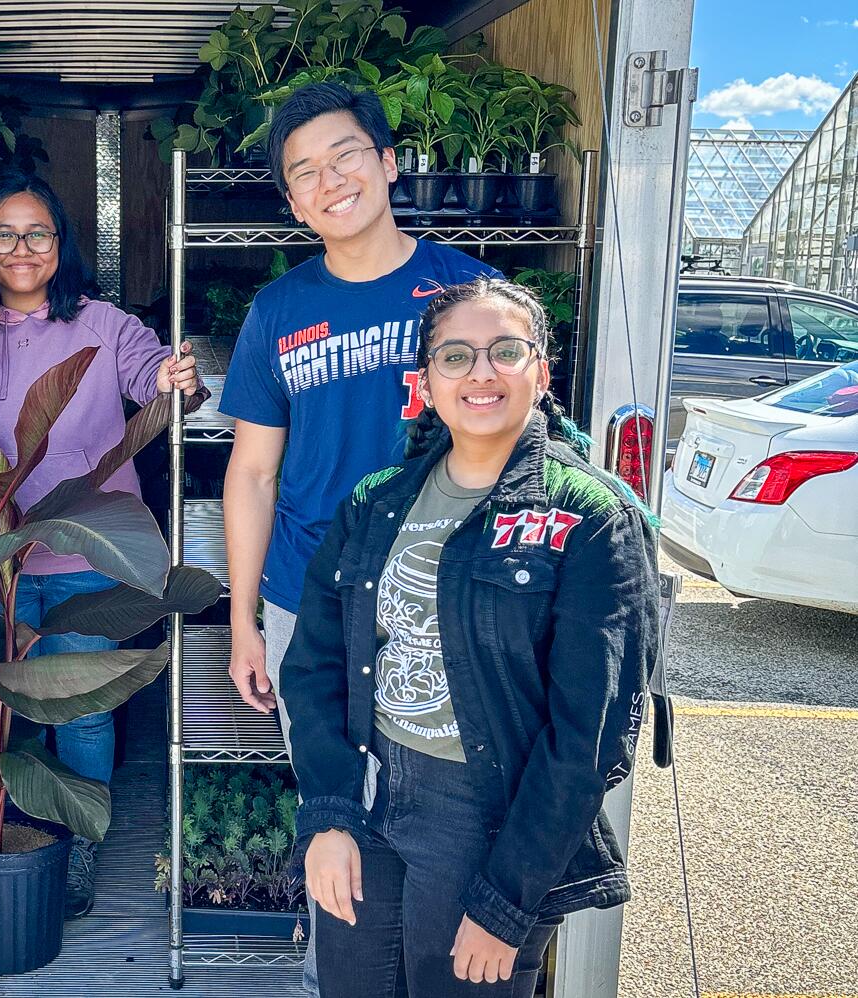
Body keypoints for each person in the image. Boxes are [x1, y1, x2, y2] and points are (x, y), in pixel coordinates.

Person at [280, 277, 660, 997]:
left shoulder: (589, 517)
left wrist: (507, 902)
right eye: (455, 356)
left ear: (541, 373)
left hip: (487, 826)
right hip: (369, 795)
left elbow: (589, 737)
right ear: (424, 382)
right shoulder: (378, 501)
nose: (481, 372)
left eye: (505, 351)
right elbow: (315, 665)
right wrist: (327, 815)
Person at [218, 81, 501, 993]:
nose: (328, 181)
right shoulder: (277, 311)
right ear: (293, 203)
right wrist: (243, 622)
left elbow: (513, 446)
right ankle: (329, 980)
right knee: (333, 815)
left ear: (387, 163)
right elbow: (253, 474)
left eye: (346, 156)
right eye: (304, 173)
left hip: (440, 600)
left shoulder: (462, 290)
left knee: (449, 811)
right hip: (314, 604)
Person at [0, 172, 203, 919]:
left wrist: (178, 379)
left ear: (60, 245)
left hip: (88, 552)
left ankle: (84, 844)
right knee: (4, 708)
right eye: (3, 234)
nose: (21, 248)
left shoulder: (103, 324)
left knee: (81, 708)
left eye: (38, 233)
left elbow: (155, 378)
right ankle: (21, 828)